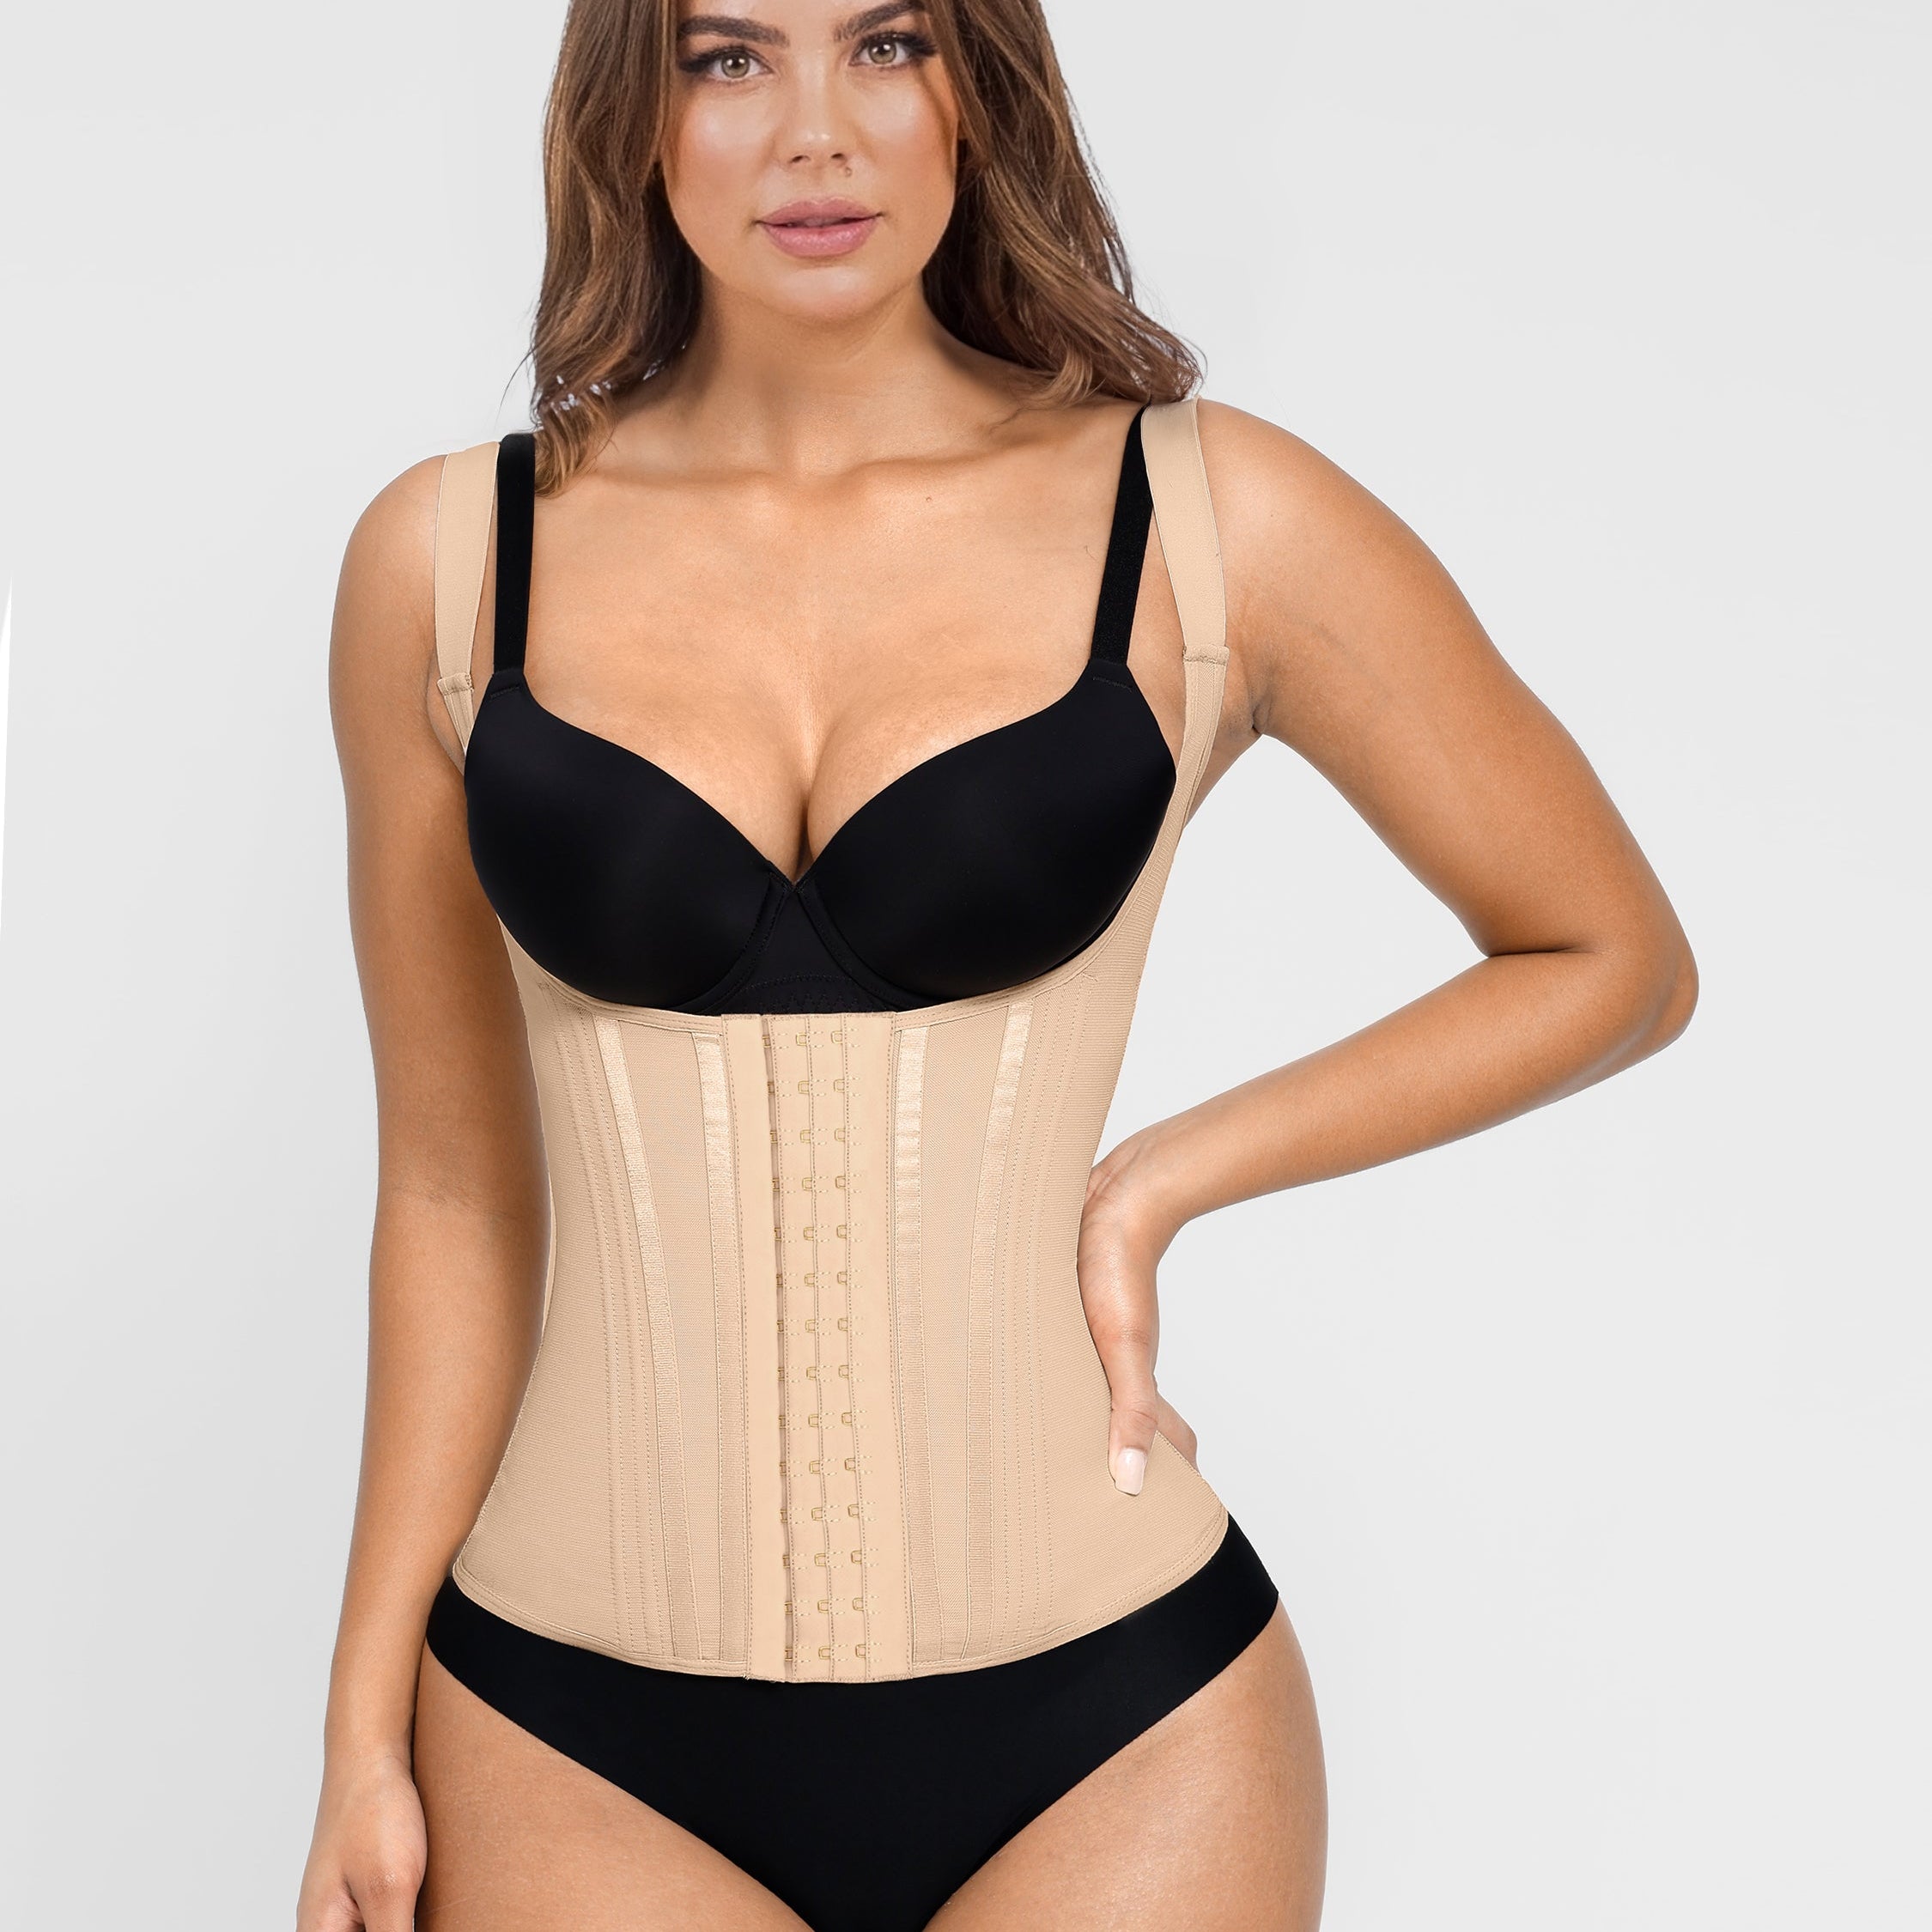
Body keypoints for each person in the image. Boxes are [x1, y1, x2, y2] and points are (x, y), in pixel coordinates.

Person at [302, 1, 1697, 1926]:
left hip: (1122, 1730)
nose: (816, 130)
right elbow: (456, 1192)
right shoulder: (450, 565)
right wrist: (358, 1728)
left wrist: (1161, 1180)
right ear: (632, 109)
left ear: (981, 89)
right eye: (728, 57)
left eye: (886, 45)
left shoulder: (1208, 519)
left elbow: (1610, 954)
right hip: (568, 1731)